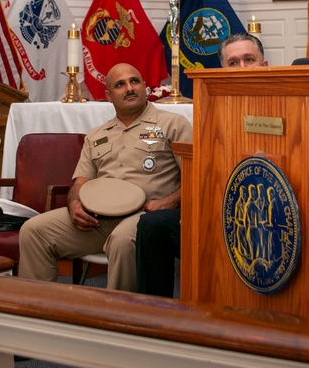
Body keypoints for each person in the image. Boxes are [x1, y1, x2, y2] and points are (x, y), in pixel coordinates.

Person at [18, 62, 192, 292]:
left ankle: (117, 319)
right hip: (97, 218)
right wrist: (74, 203)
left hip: (145, 216)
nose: (129, 88)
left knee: (122, 240)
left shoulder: (172, 124)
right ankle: (39, 315)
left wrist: (168, 202)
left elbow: (196, 175)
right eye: (120, 85)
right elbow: (81, 181)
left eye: (134, 81)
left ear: (145, 87)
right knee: (33, 231)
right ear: (109, 96)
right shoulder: (97, 135)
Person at [135, 32, 268, 297]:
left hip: (263, 213)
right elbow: (202, 167)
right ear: (222, 69)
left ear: (264, 66)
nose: (241, 68)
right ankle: (152, 318)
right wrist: (193, 208)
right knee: (153, 225)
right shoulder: (211, 108)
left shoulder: (288, 102)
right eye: (233, 62)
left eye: (249, 59)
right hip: (215, 211)